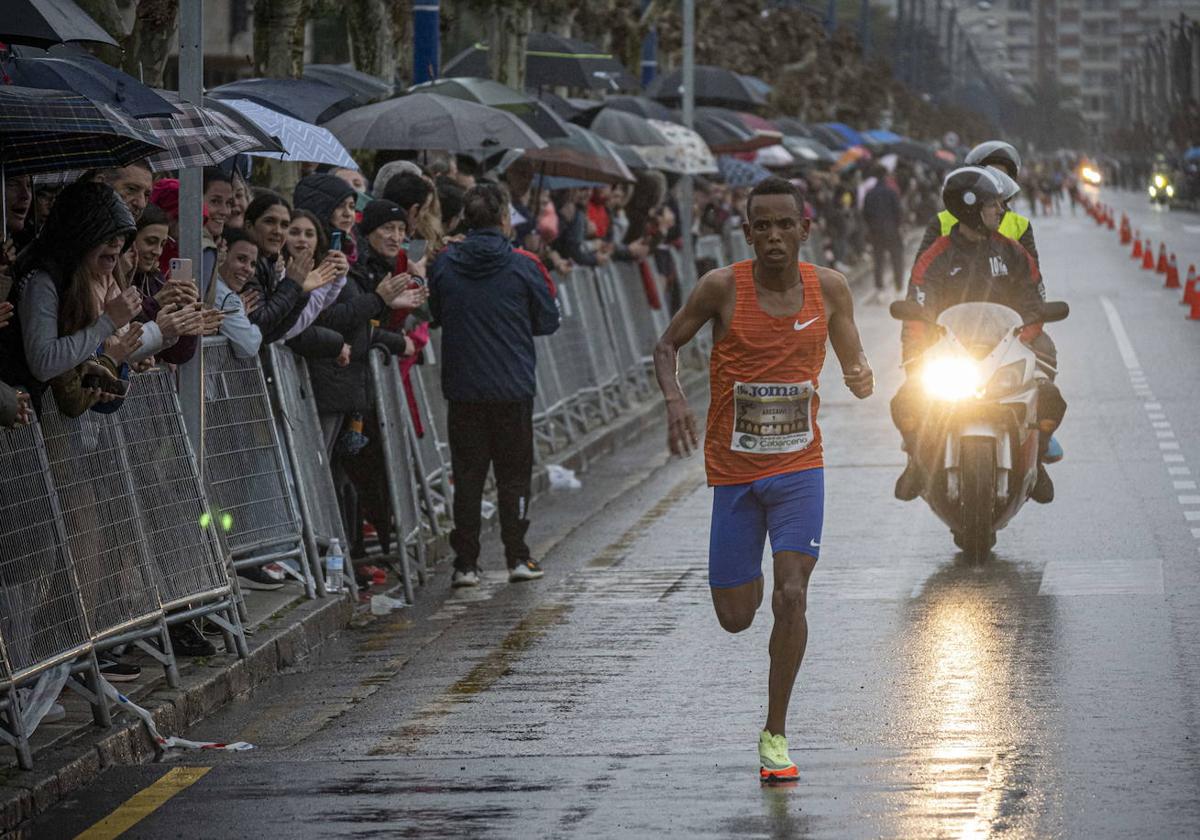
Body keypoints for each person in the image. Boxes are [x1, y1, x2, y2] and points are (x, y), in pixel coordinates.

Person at [652, 176, 874, 782]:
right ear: (747, 232)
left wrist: (860, 372)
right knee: (736, 616)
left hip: (800, 467)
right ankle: (742, 599)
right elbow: (666, 346)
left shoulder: (829, 289)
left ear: (806, 228)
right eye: (762, 225)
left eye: (785, 224)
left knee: (793, 594)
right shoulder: (721, 288)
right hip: (735, 473)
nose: (774, 236)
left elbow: (852, 353)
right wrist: (675, 401)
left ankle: (775, 732)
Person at [891, 166, 1064, 505]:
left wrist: (1025, 336)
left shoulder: (1012, 252)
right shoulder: (936, 257)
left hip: (1006, 347)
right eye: (993, 205)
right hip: (950, 351)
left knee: (1050, 395)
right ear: (971, 208)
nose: (1001, 210)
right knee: (906, 399)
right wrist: (917, 350)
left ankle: (1038, 456)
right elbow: (918, 308)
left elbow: (1033, 299)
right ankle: (915, 458)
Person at [429, 183, 560, 588]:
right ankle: (517, 556)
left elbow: (436, 311)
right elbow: (548, 320)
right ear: (505, 219)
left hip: (464, 386)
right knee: (513, 475)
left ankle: (465, 563)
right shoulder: (524, 263)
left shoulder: (445, 264)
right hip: (512, 387)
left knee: (467, 476)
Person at [213, 228, 264, 359]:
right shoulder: (227, 298)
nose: (248, 269)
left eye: (253, 264)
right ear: (223, 254)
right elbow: (249, 346)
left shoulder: (218, 289)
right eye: (241, 259)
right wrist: (250, 325)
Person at [861, 165, 906, 302]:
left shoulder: (870, 193)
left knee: (878, 260)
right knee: (896, 260)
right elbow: (898, 211)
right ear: (886, 176)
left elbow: (865, 213)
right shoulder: (891, 192)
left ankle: (880, 289)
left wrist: (871, 226)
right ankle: (899, 288)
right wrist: (899, 226)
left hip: (876, 231)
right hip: (892, 230)